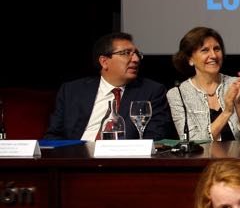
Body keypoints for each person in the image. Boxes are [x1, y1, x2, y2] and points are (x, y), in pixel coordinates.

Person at [44, 32, 173, 141]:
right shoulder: (72, 90)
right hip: (77, 158)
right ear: (104, 62)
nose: (136, 59)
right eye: (127, 53)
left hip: (122, 162)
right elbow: (53, 135)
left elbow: (155, 138)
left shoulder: (152, 91)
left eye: (137, 54)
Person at [168, 27, 240, 142]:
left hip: (238, 157)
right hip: (201, 159)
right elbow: (192, 142)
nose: (213, 55)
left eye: (217, 49)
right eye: (205, 50)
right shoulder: (178, 94)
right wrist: (227, 112)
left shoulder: (235, 84)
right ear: (190, 59)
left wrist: (238, 102)